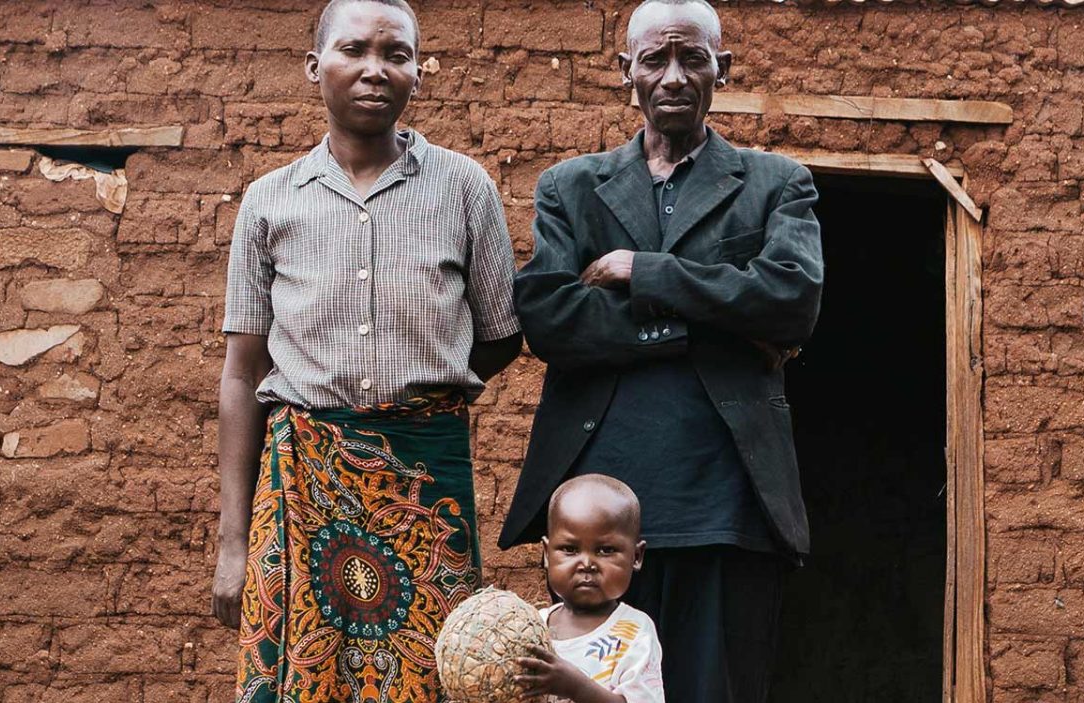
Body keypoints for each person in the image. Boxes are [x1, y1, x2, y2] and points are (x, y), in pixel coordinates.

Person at [498, 0, 825, 701]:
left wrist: (644, 273)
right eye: (655, 59)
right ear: (627, 72)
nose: (674, 75)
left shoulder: (776, 184)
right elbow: (550, 317)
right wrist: (706, 322)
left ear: (722, 69)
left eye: (693, 58)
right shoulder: (571, 187)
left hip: (725, 505)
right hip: (596, 516)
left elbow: (792, 299)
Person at [208, 0, 524, 700]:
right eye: (354, 49)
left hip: (424, 481)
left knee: (431, 670)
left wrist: (420, 393)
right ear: (315, 65)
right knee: (299, 673)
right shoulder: (269, 202)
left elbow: (501, 335)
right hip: (300, 481)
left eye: (397, 53)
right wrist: (232, 543)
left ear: (419, 71)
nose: (376, 69)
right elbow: (241, 373)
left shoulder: (464, 187)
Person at [513, 475, 665, 703]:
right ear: (546, 553)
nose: (586, 564)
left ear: (636, 556)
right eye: (570, 549)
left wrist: (576, 688)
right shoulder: (532, 627)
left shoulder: (635, 632)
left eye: (605, 550)